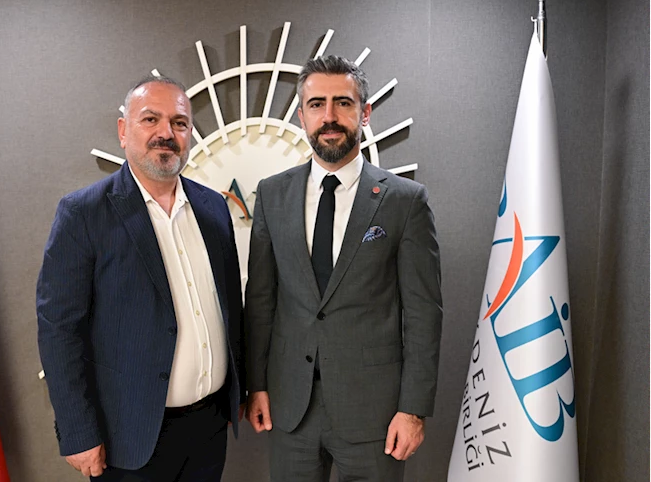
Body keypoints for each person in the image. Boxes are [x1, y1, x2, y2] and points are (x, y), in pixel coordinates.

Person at [37, 76, 245, 481]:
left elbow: (228, 307)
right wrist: (78, 431)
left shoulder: (213, 207)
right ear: (123, 131)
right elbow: (58, 329)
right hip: (129, 437)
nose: (166, 133)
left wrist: (239, 387)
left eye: (179, 123)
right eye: (151, 119)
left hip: (209, 427)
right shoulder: (84, 214)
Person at [244, 55, 442, 482]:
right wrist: (255, 384)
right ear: (302, 116)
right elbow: (260, 301)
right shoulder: (273, 195)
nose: (329, 116)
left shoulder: (404, 201)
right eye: (316, 104)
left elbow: (423, 314)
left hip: (375, 413)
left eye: (343, 103)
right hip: (290, 406)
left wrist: (413, 409)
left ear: (364, 113)